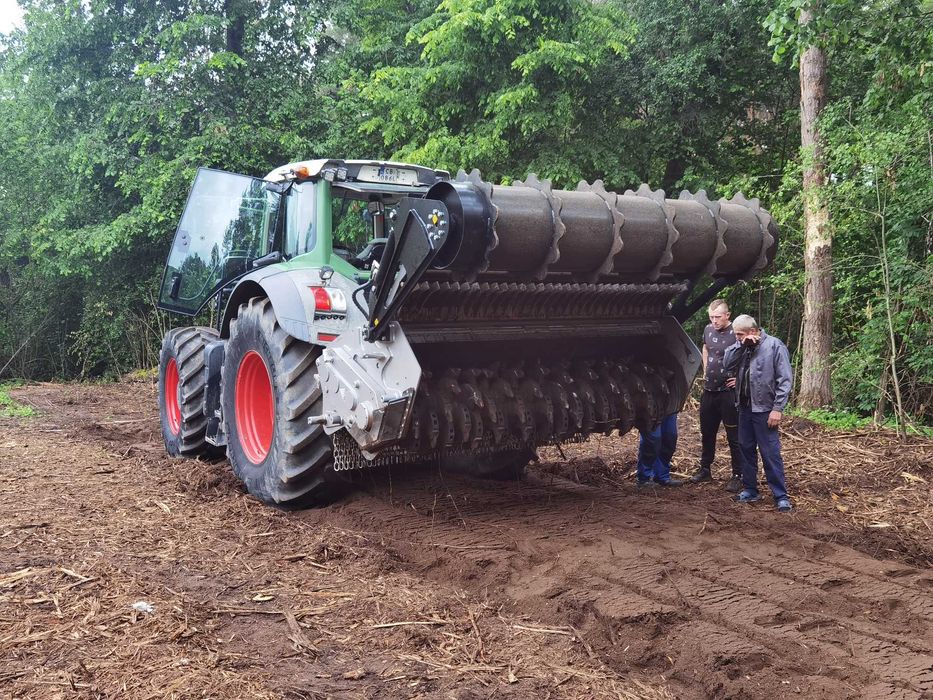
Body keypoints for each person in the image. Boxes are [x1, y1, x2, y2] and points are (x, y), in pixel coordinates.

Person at [722, 314, 793, 512]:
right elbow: (727, 364)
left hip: (765, 410)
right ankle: (750, 489)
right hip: (744, 408)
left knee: (770, 453)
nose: (736, 337)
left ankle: (780, 495)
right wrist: (741, 345)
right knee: (745, 449)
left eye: (739, 334)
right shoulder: (741, 347)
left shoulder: (774, 346)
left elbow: (785, 380)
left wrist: (777, 409)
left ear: (753, 331)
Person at [690, 299, 746, 491]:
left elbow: (750, 356)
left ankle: (738, 474)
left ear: (727, 315)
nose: (714, 321)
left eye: (718, 317)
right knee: (707, 432)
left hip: (728, 394)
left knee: (734, 435)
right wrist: (706, 369)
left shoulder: (736, 331)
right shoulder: (708, 330)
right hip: (709, 391)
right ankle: (705, 469)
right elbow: (706, 348)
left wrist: (740, 379)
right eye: (711, 317)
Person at [635, 413, 684, 488]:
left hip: (670, 406)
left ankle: (662, 476)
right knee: (652, 439)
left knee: (670, 437)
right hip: (650, 406)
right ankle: (644, 478)